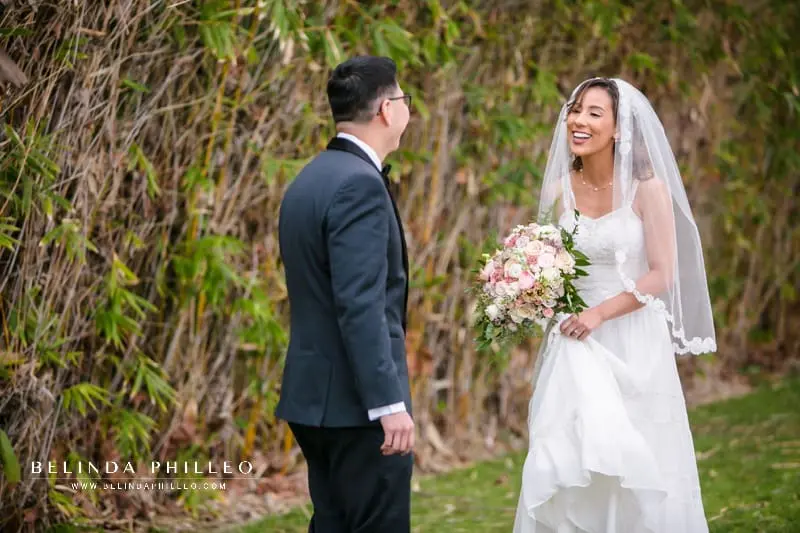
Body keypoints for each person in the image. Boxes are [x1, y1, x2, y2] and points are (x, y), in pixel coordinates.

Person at [513, 77, 717, 532]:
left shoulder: (649, 191)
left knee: (641, 457)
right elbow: (548, 262)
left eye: (593, 113)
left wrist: (601, 313)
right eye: (576, 110)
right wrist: (525, 289)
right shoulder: (560, 190)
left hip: (631, 340)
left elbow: (662, 274)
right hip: (574, 344)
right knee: (568, 457)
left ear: (620, 129)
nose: (578, 121)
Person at [276, 55, 415, 533]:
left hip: (315, 399)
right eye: (403, 99)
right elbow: (360, 304)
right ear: (385, 111)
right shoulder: (360, 184)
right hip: (358, 408)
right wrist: (388, 404)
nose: (406, 109)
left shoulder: (311, 177)